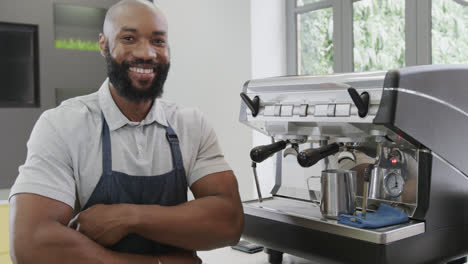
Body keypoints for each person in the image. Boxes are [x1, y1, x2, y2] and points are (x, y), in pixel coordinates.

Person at [8, 1, 244, 263]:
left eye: (158, 41)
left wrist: (129, 217)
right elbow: (30, 244)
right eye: (129, 38)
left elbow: (230, 222)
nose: (147, 53)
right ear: (103, 44)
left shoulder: (191, 124)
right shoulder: (62, 125)